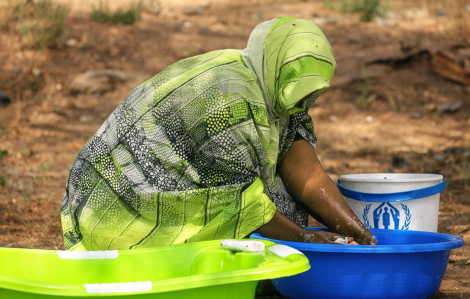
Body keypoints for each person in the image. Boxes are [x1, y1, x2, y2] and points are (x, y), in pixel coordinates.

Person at [60, 16, 377, 251]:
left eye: (312, 93)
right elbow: (240, 200)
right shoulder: (231, 99)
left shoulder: (277, 94)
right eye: (298, 89)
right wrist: (308, 238)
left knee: (280, 196)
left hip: (178, 183)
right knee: (264, 210)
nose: (302, 103)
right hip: (119, 199)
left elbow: (305, 176)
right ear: (276, 64)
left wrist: (357, 231)